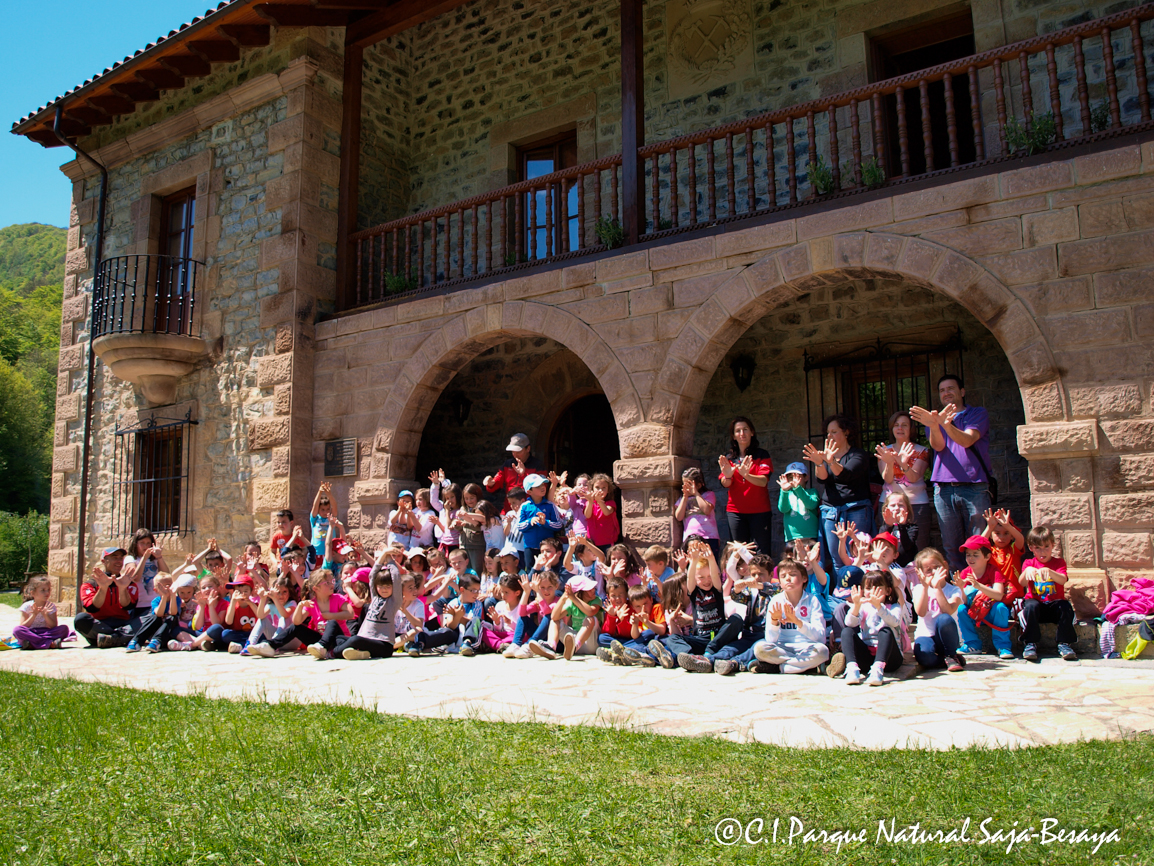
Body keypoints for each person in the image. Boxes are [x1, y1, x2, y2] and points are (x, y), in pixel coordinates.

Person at [911, 375, 993, 572]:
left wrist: (946, 424)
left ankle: (981, 589)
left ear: (962, 392)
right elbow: (938, 446)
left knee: (978, 544)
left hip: (975, 487)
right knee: (951, 546)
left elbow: (967, 440)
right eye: (942, 390)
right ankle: (959, 590)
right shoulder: (934, 420)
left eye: (950, 388)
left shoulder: (977, 414)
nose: (946, 393)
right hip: (944, 490)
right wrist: (934, 425)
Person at [802, 414, 874, 572]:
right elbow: (822, 478)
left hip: (856, 510)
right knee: (837, 558)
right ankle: (842, 594)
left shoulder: (858, 454)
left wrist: (830, 461)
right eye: (828, 432)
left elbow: (845, 474)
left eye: (834, 431)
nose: (829, 436)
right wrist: (819, 462)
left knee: (857, 554)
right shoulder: (829, 457)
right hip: (831, 512)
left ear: (846, 432)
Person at [751, 558, 829, 674]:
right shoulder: (776, 601)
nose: (788, 578)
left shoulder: (812, 601)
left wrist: (798, 622)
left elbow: (820, 638)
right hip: (783, 649)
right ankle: (807, 667)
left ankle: (779, 668)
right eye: (783, 576)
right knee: (759, 649)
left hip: (807, 647)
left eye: (793, 574)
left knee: (823, 651)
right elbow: (770, 640)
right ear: (779, 582)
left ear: (804, 578)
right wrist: (774, 622)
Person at [1018, 526, 1078, 662]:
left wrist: (1050, 572)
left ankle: (1064, 643)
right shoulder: (1029, 563)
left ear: (1053, 546)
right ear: (1031, 548)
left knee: (1065, 606)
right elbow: (1021, 583)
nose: (1042, 551)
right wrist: (1026, 573)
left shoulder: (1058, 563)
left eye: (1046, 547)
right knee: (1030, 606)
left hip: (1053, 606)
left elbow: (1063, 580)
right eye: (1038, 548)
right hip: (1036, 607)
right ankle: (1030, 643)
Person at [875, 411, 932, 551]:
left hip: (916, 505)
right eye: (896, 425)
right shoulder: (885, 451)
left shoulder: (922, 450)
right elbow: (887, 479)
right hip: (890, 504)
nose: (900, 428)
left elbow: (914, 477)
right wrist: (889, 462)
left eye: (904, 425)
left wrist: (903, 463)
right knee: (887, 547)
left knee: (919, 547)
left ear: (911, 429)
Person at [717, 417, 773, 553]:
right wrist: (728, 475)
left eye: (745, 429)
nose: (742, 433)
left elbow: (763, 481)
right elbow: (725, 483)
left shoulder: (762, 455)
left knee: (761, 553)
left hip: (759, 512)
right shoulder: (729, 458)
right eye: (738, 431)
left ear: (752, 432)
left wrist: (746, 475)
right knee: (738, 553)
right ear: (734, 436)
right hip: (736, 512)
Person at [955, 535, 1014, 660]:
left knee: (1001, 607)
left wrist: (978, 585)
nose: (971, 558)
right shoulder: (966, 572)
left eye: (975, 555)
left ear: (987, 557)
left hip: (991, 612)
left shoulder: (994, 571)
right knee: (961, 609)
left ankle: (1003, 646)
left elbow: (998, 595)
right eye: (968, 554)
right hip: (975, 611)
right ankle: (972, 644)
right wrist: (961, 588)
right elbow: (965, 602)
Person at [910, 548, 965, 672]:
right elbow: (921, 612)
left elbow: (948, 610)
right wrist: (925, 586)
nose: (934, 572)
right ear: (920, 573)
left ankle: (950, 655)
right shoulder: (918, 589)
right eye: (928, 570)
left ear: (945, 566)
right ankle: (945, 660)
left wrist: (937, 588)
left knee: (944, 618)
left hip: (947, 637)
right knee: (925, 657)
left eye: (937, 567)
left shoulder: (953, 590)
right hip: (926, 634)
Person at [75, 547, 140, 648]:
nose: (119, 561)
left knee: (150, 618)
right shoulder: (89, 584)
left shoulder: (129, 583)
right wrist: (103, 588)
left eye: (121, 558)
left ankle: (111, 638)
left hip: (123, 624)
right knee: (80, 619)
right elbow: (92, 607)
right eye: (115, 558)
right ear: (103, 561)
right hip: (100, 624)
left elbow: (128, 606)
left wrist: (123, 588)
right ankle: (119, 638)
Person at [484, 433, 545, 513]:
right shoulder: (507, 464)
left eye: (518, 451)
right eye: (513, 452)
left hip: (531, 511)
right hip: (509, 511)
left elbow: (541, 490)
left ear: (528, 449)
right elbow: (496, 483)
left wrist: (523, 475)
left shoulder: (538, 465)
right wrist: (491, 484)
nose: (515, 455)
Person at [515, 474, 565, 562]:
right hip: (529, 547)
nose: (543, 487)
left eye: (543, 484)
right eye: (538, 486)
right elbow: (519, 526)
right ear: (529, 491)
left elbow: (559, 525)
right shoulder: (524, 506)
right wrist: (530, 521)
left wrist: (545, 522)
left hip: (548, 549)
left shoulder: (550, 505)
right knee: (531, 572)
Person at [13, 575, 70, 650]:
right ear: (33, 593)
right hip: (31, 633)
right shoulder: (26, 606)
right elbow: (23, 626)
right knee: (17, 630)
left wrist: (46, 615)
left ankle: (33, 644)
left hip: (46, 632)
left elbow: (53, 626)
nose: (47, 593)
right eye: (43, 590)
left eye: (48, 590)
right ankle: (49, 644)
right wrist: (34, 615)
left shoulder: (51, 606)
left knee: (64, 629)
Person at [675, 467, 720, 560]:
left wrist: (696, 493)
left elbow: (707, 510)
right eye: (684, 484)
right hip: (690, 539)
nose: (686, 487)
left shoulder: (708, 495)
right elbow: (679, 516)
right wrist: (685, 497)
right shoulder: (683, 499)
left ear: (699, 485)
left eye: (689, 484)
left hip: (708, 536)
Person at [123, 529, 170, 618]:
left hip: (155, 602)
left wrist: (159, 557)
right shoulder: (130, 559)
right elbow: (135, 577)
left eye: (148, 543)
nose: (145, 546)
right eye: (142, 543)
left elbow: (166, 575)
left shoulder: (154, 560)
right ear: (135, 543)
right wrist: (144, 558)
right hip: (139, 604)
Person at [776, 462, 819, 548]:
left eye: (797, 477)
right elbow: (783, 509)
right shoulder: (787, 493)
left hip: (810, 535)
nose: (793, 480)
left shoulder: (812, 492)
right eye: (790, 477)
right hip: (792, 537)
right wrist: (784, 491)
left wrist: (798, 488)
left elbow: (811, 505)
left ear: (806, 477)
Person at [583, 473, 620, 547]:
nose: (600, 490)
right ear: (592, 488)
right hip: (592, 541)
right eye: (597, 487)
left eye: (604, 488)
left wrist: (599, 501)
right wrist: (590, 501)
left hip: (607, 541)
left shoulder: (610, 503)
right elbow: (587, 515)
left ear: (608, 490)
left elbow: (607, 512)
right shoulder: (588, 503)